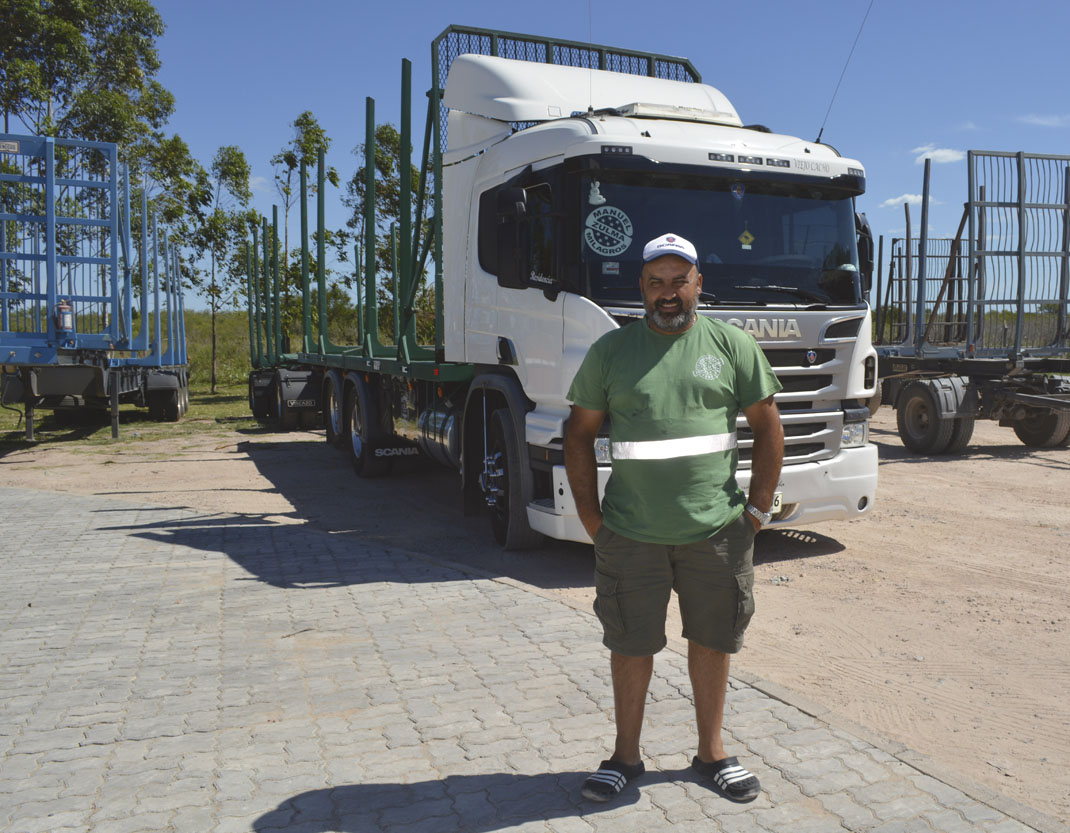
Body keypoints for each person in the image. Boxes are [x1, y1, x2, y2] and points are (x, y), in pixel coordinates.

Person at [564, 232, 784, 804]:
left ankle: (712, 753)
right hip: (630, 533)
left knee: (713, 641)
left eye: (678, 281)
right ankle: (625, 757)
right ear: (641, 287)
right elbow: (580, 434)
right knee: (631, 644)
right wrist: (590, 517)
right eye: (656, 282)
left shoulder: (733, 345)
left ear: (697, 285)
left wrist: (758, 510)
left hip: (717, 532)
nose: (668, 293)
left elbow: (768, 427)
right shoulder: (611, 353)